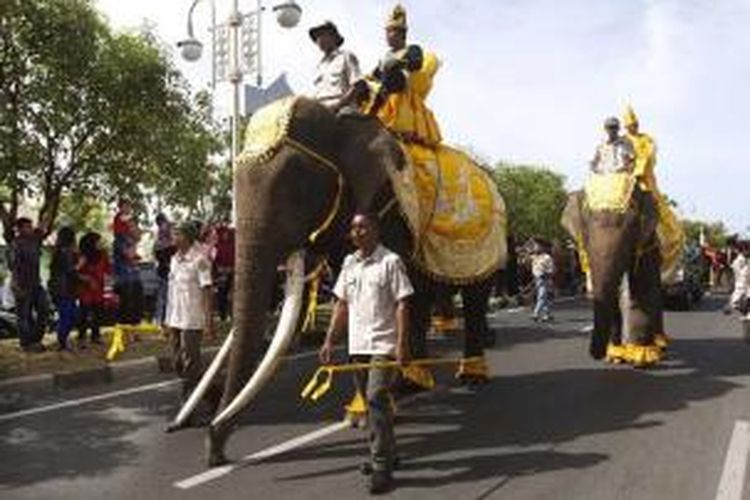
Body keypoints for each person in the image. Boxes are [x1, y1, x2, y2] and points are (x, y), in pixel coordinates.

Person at [319, 213, 413, 495]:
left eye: (363, 226)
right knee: (374, 406)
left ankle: (382, 466)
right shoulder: (349, 263)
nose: (357, 231)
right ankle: (388, 451)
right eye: (353, 227)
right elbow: (341, 305)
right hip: (357, 345)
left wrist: (402, 344)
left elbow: (402, 304)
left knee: (374, 398)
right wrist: (329, 341)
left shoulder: (391, 262)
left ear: (375, 230)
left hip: (383, 345)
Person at [369, 5, 442, 146]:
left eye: (390, 32)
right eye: (386, 32)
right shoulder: (386, 56)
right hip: (384, 96)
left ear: (400, 34)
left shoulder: (412, 49)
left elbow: (416, 63)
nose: (387, 36)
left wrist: (397, 62)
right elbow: (375, 74)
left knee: (393, 73)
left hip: (401, 94)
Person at [164, 222, 214, 412]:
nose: (173, 237)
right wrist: (167, 320)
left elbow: (207, 291)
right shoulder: (174, 259)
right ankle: (211, 392)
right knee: (177, 363)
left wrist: (209, 322)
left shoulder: (199, 259)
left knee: (190, 363)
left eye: (176, 234)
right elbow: (171, 292)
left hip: (192, 320)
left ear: (187, 237)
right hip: (176, 318)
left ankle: (188, 408)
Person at [10, 217, 50, 353]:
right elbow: (13, 266)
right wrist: (15, 284)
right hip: (22, 283)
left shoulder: (35, 240)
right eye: (27, 227)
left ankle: (35, 340)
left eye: (31, 226)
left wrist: (46, 216)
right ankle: (26, 344)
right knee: (23, 316)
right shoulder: (16, 244)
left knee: (44, 310)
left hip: (36, 283)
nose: (31, 229)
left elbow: (43, 227)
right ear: (20, 229)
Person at [309, 20, 363, 114]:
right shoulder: (319, 66)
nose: (319, 39)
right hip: (320, 111)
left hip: (343, 108)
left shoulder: (346, 56)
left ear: (333, 36)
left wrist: (337, 106)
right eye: (316, 37)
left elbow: (358, 85)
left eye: (322, 34)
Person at [77, 232, 111, 346]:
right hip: (85, 290)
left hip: (99, 290)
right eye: (98, 241)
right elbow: (76, 273)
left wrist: (108, 292)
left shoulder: (103, 255)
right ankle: (81, 337)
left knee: (98, 314)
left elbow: (108, 272)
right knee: (84, 314)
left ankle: (95, 336)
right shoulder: (82, 256)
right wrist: (88, 280)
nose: (100, 244)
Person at [48, 226, 79, 351]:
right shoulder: (63, 252)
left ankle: (63, 341)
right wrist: (79, 264)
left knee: (71, 315)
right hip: (62, 289)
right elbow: (70, 270)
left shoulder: (65, 252)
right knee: (67, 316)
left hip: (66, 289)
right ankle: (62, 343)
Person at [153, 213, 174, 325]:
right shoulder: (160, 241)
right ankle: (160, 321)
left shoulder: (168, 239)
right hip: (163, 272)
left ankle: (164, 320)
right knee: (163, 297)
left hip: (168, 272)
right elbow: (160, 256)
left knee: (166, 298)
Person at [530, 241, 555, 322]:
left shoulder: (547, 257)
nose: (536, 248)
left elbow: (551, 269)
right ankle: (547, 314)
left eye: (538, 246)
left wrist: (546, 274)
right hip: (537, 279)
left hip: (545, 279)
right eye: (535, 246)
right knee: (545, 297)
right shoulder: (535, 257)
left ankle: (535, 313)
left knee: (542, 296)